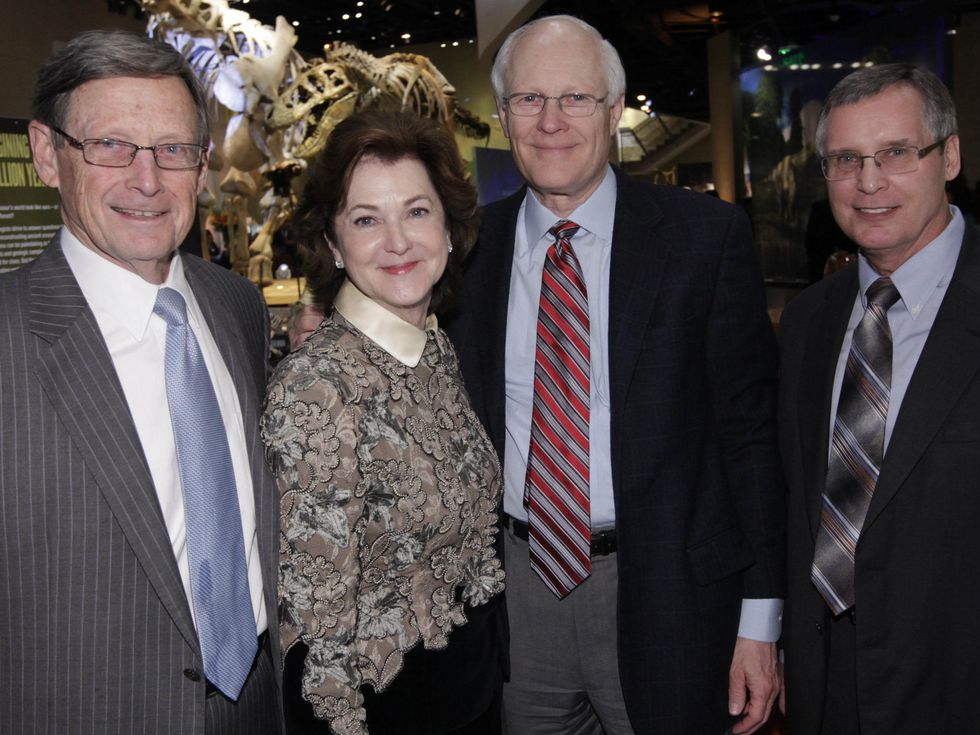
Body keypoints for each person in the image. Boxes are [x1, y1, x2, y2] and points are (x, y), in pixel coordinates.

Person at [446, 15, 785, 735]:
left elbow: (750, 439)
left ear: (614, 108)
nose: (551, 121)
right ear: (503, 116)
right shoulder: (466, 249)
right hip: (517, 593)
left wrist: (760, 620)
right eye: (529, 100)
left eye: (575, 98)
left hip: (670, 593)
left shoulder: (704, 239)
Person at [0, 31, 282, 734]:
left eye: (173, 149)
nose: (147, 179)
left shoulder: (234, 304)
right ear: (46, 154)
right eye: (112, 146)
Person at [261, 108, 506, 735]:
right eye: (366, 219)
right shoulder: (318, 384)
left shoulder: (434, 348)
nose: (398, 240)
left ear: (449, 229)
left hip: (466, 697)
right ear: (335, 245)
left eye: (417, 211)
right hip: (386, 713)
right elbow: (317, 620)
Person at [779, 63, 975, 734]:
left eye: (896, 153)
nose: (869, 183)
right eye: (845, 160)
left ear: (949, 156)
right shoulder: (807, 321)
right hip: (822, 683)